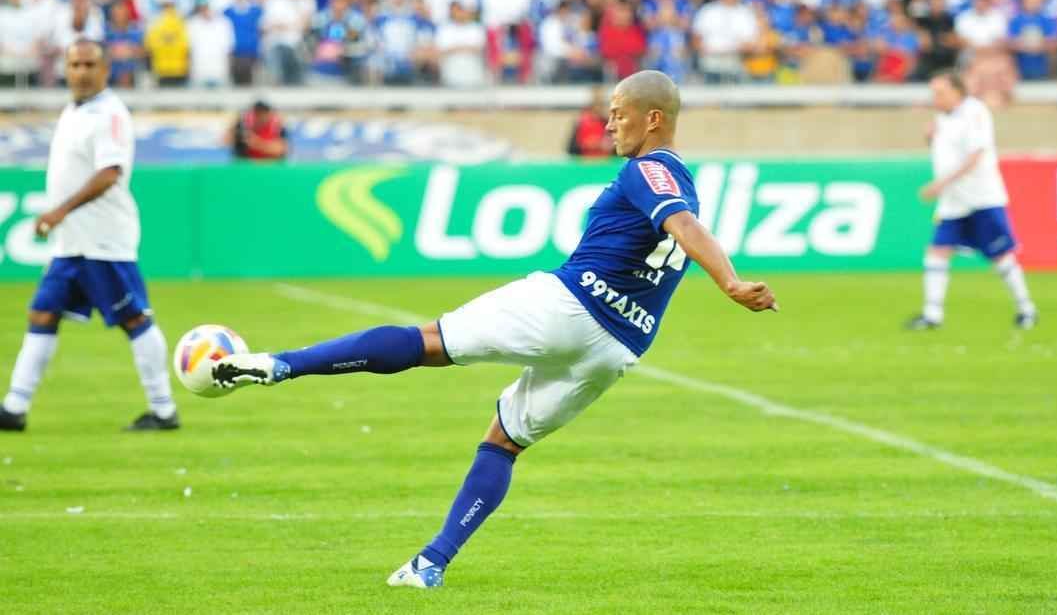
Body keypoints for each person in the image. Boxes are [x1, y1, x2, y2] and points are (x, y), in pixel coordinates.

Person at [206, 70, 778, 588]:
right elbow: (684, 223)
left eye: (618, 113)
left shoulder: (648, 169)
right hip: (616, 349)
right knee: (503, 441)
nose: (608, 124)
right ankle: (430, 564)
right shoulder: (684, 179)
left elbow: (683, 226)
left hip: (570, 305)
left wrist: (729, 282)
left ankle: (281, 364)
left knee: (429, 341)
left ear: (652, 119)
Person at [0, 41, 178, 432]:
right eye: (74, 64)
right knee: (42, 313)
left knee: (134, 319)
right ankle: (14, 407)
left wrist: (59, 211)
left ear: (105, 69)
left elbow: (110, 172)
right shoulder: (74, 110)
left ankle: (164, 410)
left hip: (104, 241)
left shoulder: (110, 113)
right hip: (72, 243)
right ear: (65, 69)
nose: (81, 72)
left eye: (89, 64)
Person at [907, 70, 1037, 331]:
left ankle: (1026, 309)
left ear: (957, 92)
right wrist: (930, 138)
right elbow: (947, 152)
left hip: (981, 198)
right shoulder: (942, 118)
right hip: (953, 201)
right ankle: (932, 315)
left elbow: (976, 155)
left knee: (1000, 255)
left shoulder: (974, 112)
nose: (935, 98)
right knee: (937, 251)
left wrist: (941, 184)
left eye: (940, 93)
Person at [566, 85, 614, 157]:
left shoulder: (608, 123)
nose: (599, 106)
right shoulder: (581, 122)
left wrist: (609, 145)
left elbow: (616, 147)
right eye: (597, 102)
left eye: (601, 103)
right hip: (585, 161)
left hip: (604, 161)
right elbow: (571, 148)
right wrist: (590, 144)